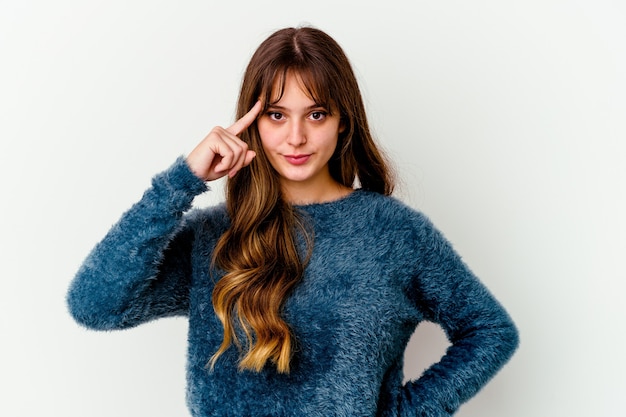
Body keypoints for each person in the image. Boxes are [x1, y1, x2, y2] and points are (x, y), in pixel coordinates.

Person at [67, 26, 519, 417]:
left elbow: (489, 331)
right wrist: (179, 183)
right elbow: (95, 306)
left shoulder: (393, 233)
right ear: (253, 123)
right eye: (276, 115)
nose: (296, 137)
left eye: (316, 114)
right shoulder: (214, 235)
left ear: (343, 122)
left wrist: (405, 411)